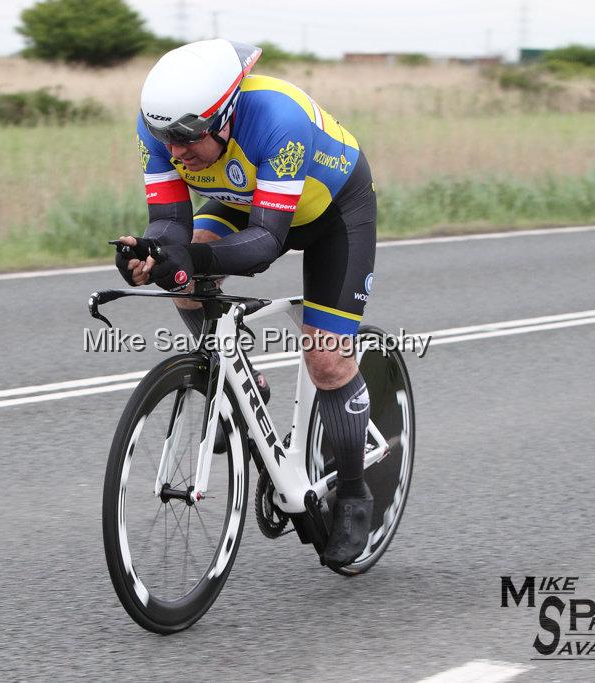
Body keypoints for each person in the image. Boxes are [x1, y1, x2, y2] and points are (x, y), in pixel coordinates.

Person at [115, 39, 376, 567]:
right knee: (182, 274)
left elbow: (263, 244)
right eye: (165, 138)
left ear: (227, 117)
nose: (175, 151)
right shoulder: (161, 130)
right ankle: (238, 381)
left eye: (186, 139)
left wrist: (187, 260)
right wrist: (153, 257)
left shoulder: (279, 121)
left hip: (331, 214)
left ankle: (354, 492)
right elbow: (170, 224)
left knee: (325, 358)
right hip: (245, 200)